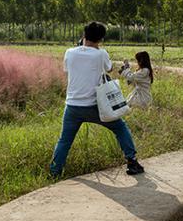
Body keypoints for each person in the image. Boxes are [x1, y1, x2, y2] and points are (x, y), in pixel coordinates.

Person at [50, 21, 144, 178]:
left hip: (72, 106)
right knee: (120, 128)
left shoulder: (69, 52)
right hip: (95, 107)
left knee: (64, 141)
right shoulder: (101, 54)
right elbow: (109, 69)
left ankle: (54, 172)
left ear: (84, 35)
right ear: (101, 39)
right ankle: (132, 161)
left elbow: (67, 69)